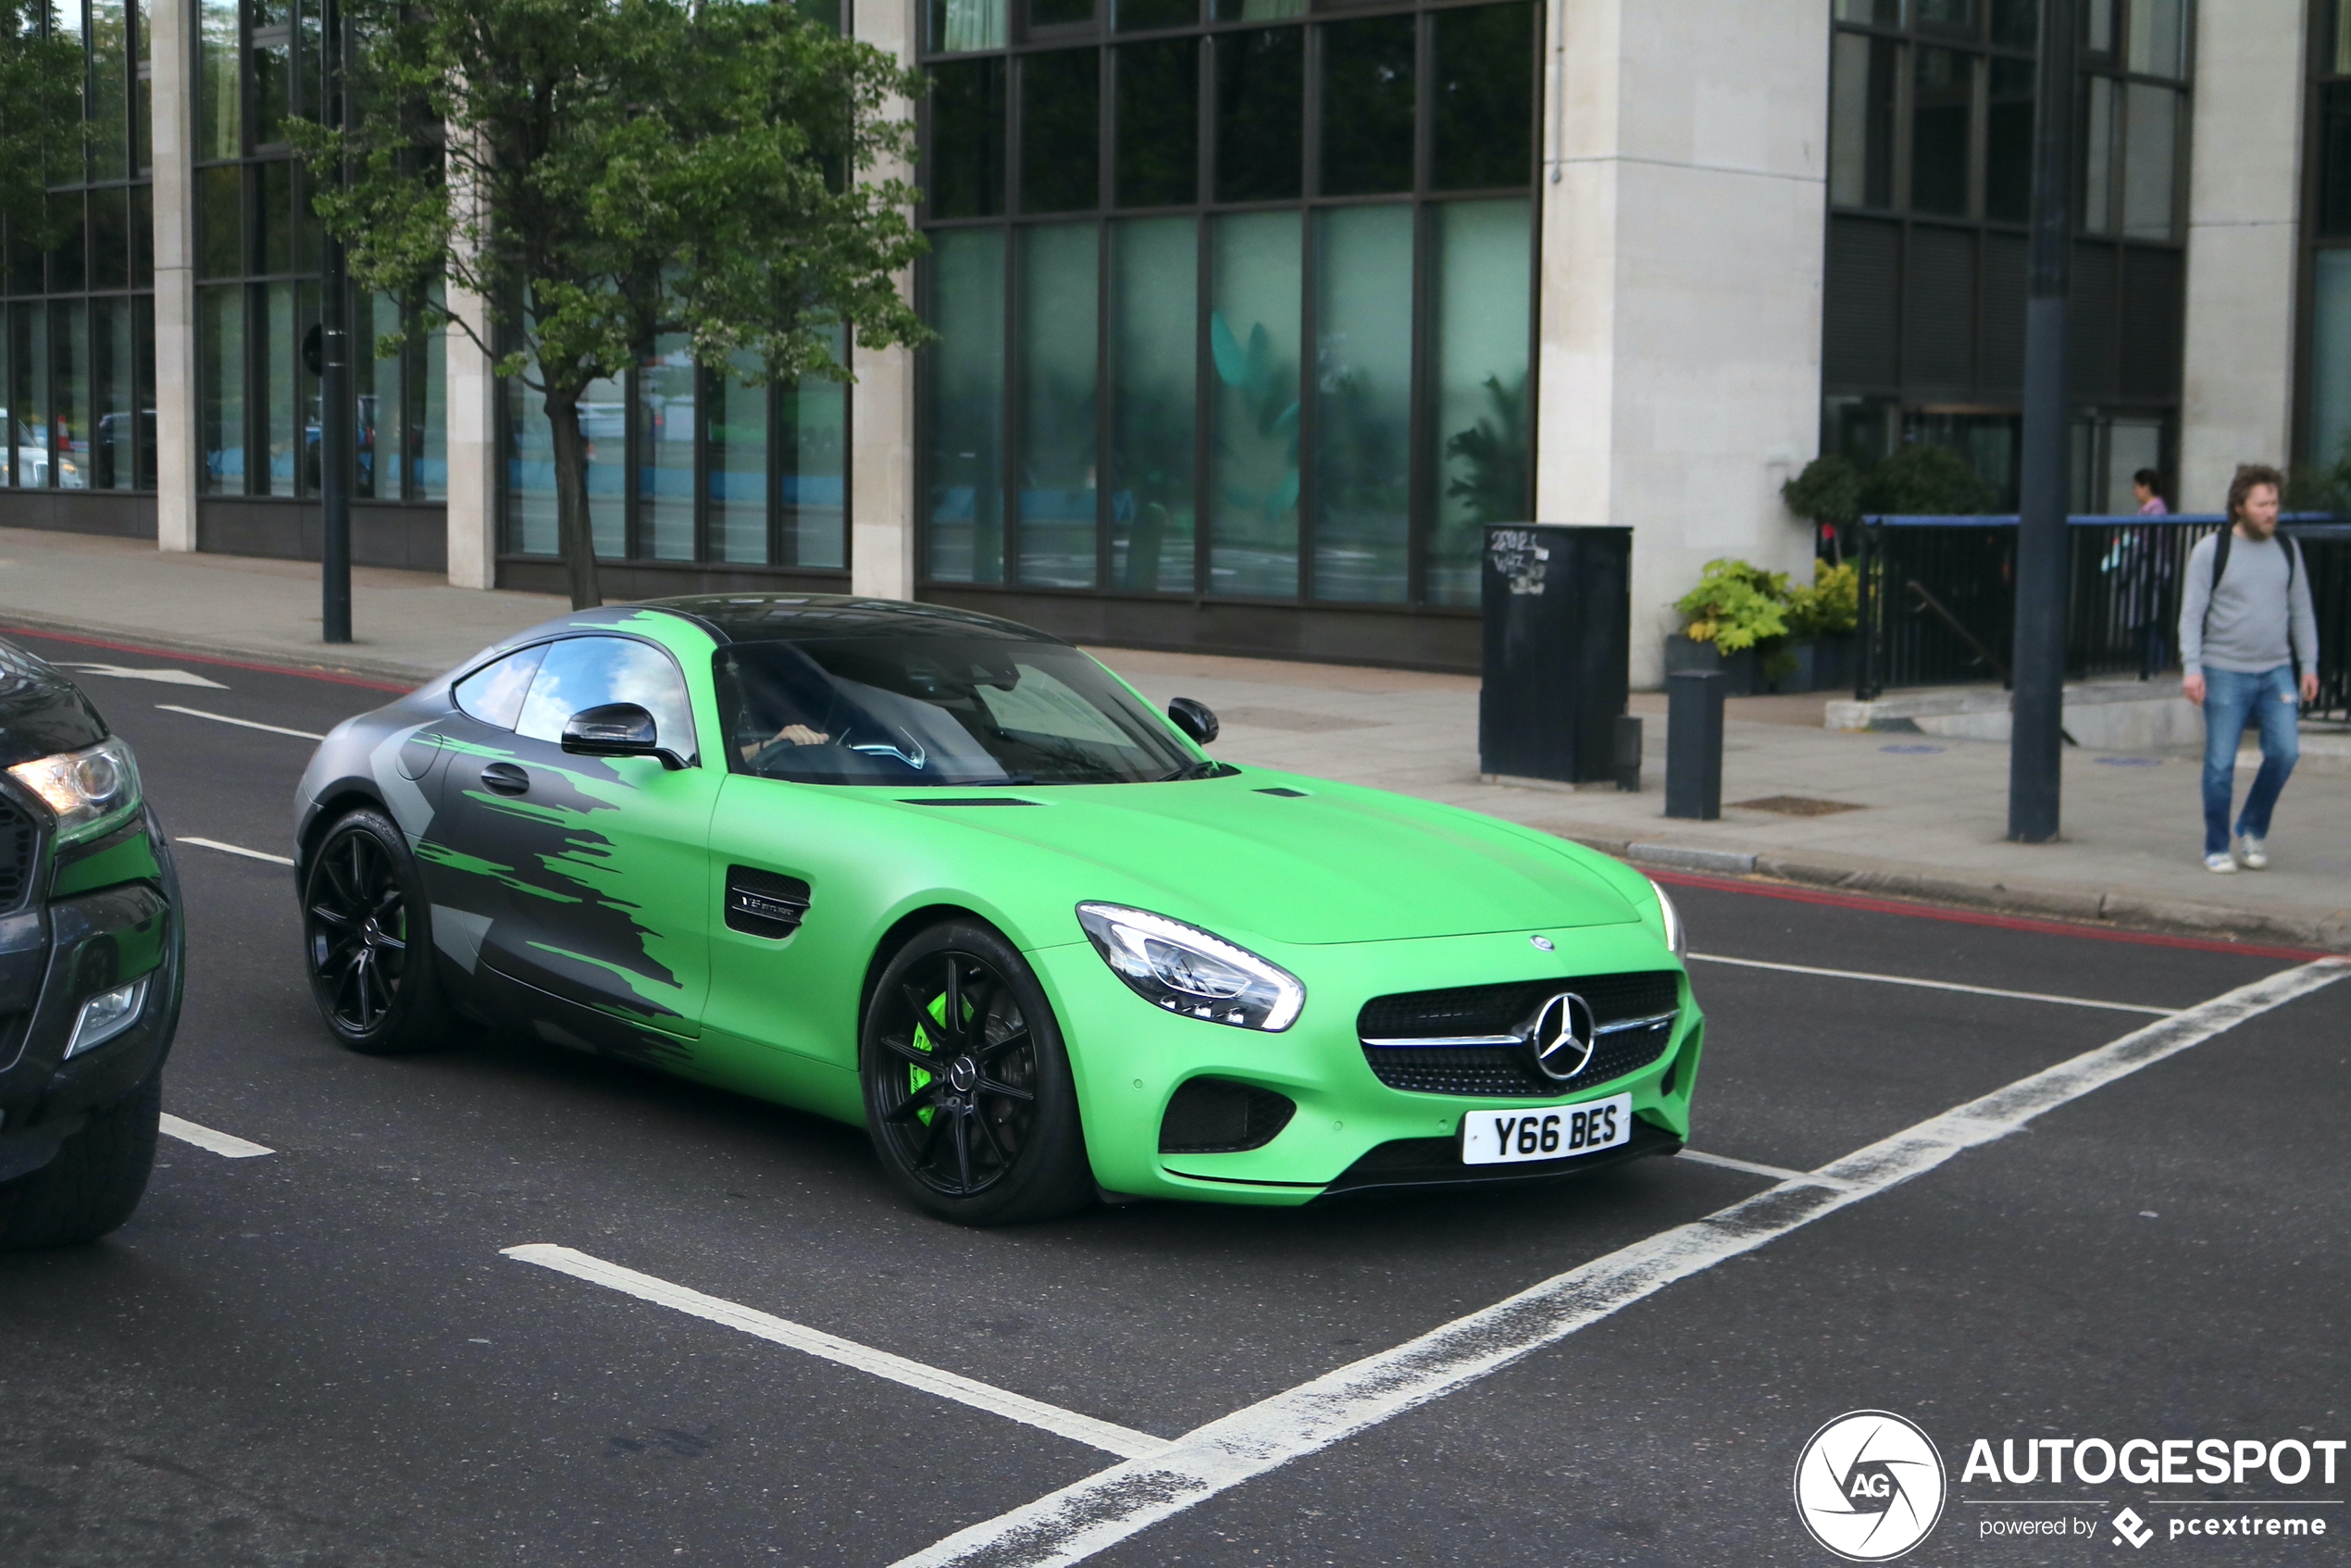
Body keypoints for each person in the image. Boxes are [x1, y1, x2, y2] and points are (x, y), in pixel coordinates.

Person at [2177, 464, 2320, 873]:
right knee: (2220, 764)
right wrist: (2192, 667)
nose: (2271, 512)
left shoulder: (2288, 550)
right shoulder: (2210, 550)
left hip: (2276, 671)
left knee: (2286, 753)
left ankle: (2252, 828)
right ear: (2239, 506)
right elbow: (2191, 615)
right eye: (2262, 504)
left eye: (2274, 503)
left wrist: (2308, 664)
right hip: (2224, 670)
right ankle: (2217, 844)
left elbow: (2302, 613)